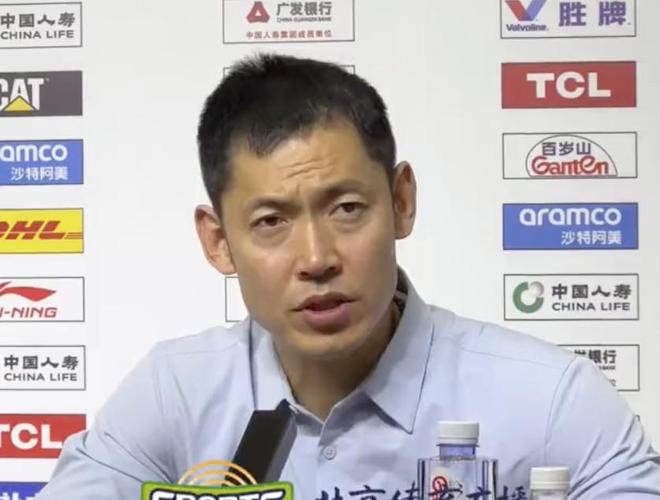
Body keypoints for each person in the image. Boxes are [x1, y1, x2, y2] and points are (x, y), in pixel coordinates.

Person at [37, 54, 660, 499]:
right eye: (271, 221)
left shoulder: (550, 399)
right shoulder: (174, 390)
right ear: (218, 242)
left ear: (402, 202)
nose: (317, 258)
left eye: (347, 209)